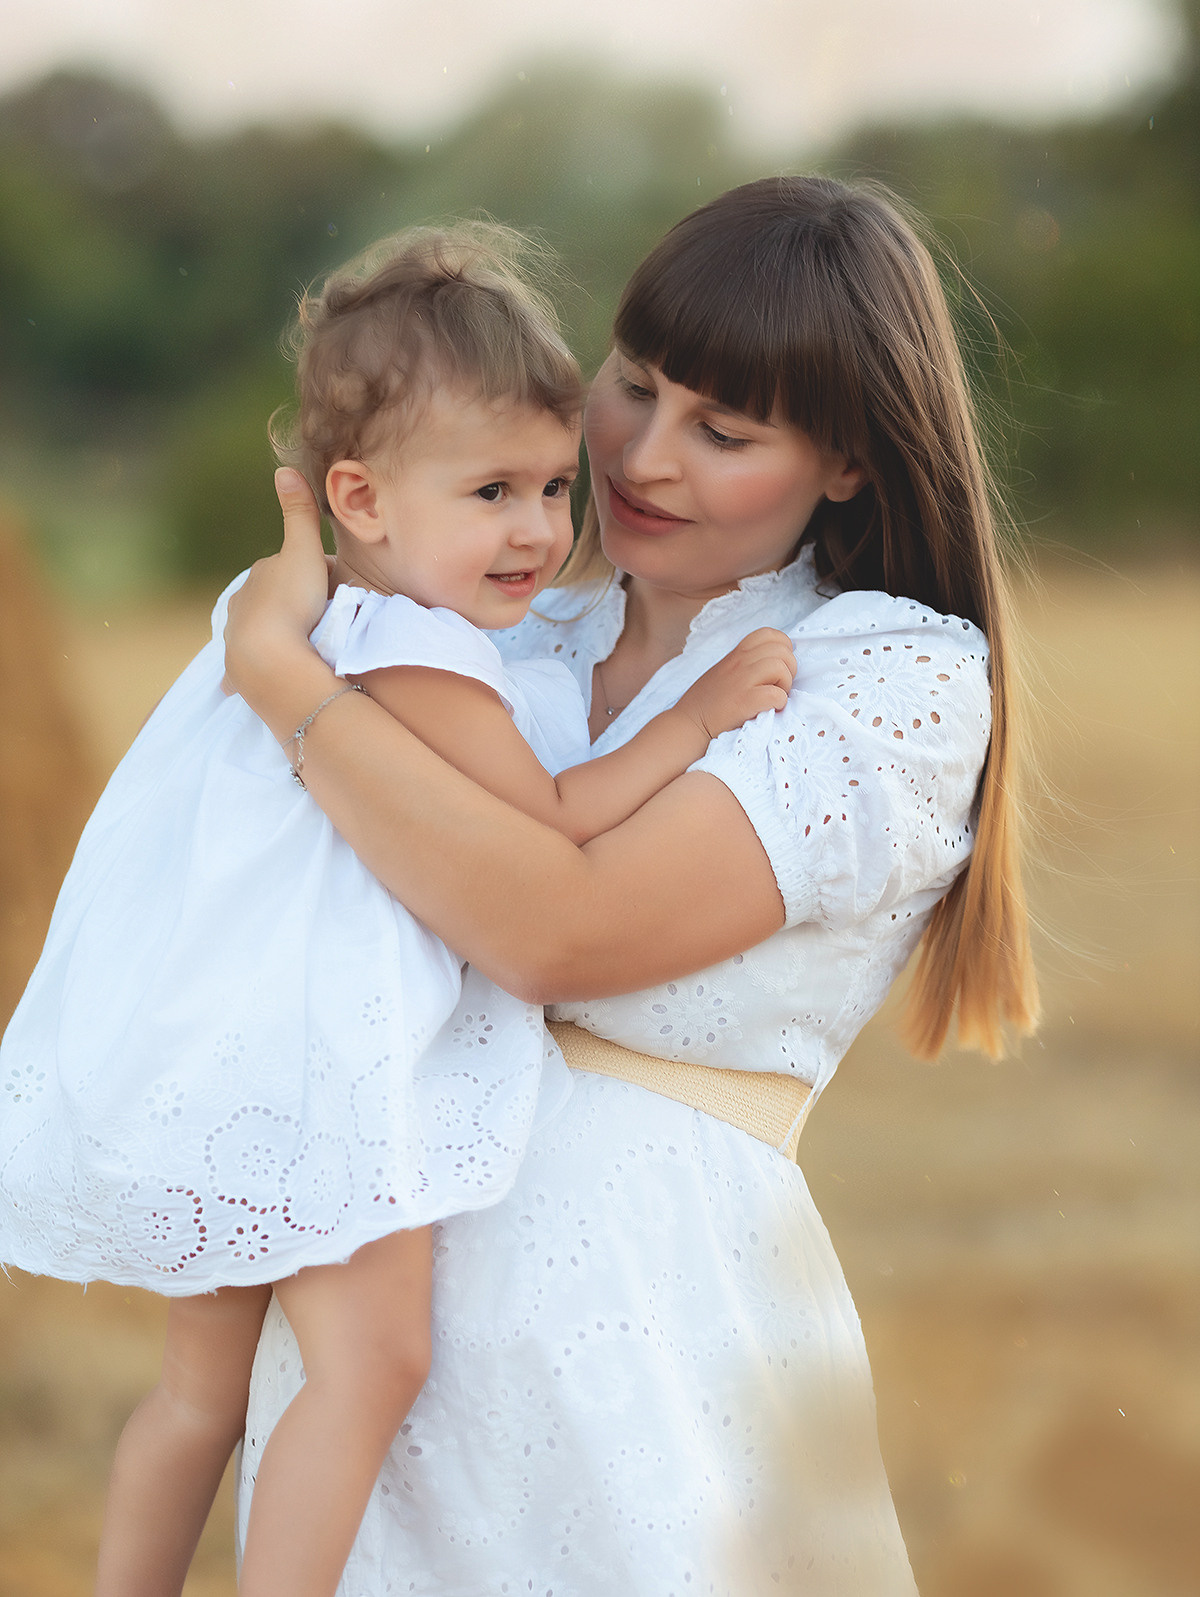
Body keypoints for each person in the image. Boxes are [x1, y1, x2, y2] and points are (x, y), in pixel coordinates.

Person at [224, 175, 1039, 1595]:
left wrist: (289, 684)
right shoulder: (490, 637)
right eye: (635, 385)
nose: (645, 456)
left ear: (846, 462)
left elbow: (560, 931)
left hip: (651, 1340)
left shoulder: (886, 674)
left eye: (723, 431)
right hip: (374, 1338)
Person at [0, 226, 796, 1597]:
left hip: (229, 1051)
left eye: (554, 486)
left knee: (201, 1389)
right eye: (491, 490)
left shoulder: (297, 619)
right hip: (324, 1066)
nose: (540, 529)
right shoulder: (414, 651)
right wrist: (698, 722)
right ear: (360, 497)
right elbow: (546, 824)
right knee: (375, 1362)